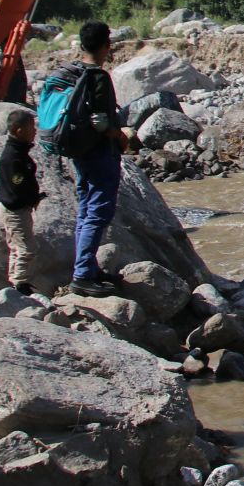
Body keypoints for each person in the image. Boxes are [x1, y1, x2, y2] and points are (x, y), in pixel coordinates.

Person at [46, 21, 138, 297]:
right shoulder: (97, 77)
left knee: (86, 210)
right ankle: (83, 275)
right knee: (98, 212)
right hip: (98, 151)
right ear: (106, 46)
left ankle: (85, 267)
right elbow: (99, 121)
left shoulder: (71, 72)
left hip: (79, 150)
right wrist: (119, 136)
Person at [0, 109, 44, 295]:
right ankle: (20, 284)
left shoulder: (18, 152)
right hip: (15, 209)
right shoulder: (12, 157)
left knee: (17, 247)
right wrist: (31, 198)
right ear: (18, 131)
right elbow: (17, 185)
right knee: (26, 248)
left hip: (18, 207)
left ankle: (16, 281)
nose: (35, 131)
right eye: (31, 128)